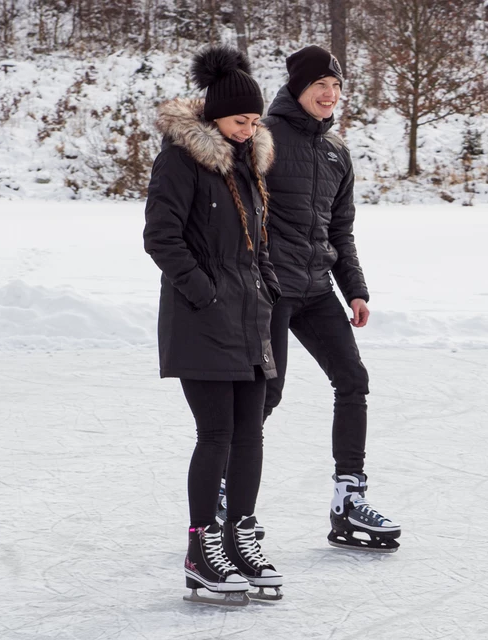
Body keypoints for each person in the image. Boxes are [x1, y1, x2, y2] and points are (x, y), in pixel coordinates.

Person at [220, 45, 401, 553]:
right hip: (272, 287)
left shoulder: (336, 151)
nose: (330, 94)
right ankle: (225, 492)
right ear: (298, 89)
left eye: (337, 86)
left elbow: (339, 230)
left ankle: (349, 497)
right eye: (321, 85)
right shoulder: (263, 138)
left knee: (352, 379)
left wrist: (356, 288)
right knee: (266, 395)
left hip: (319, 289)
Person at [143, 45, 283, 606]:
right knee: (217, 434)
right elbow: (162, 238)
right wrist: (205, 293)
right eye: (239, 120)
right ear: (213, 117)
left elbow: (257, 244)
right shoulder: (182, 160)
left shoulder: (247, 164)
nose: (248, 130)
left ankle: (240, 534)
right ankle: (203, 548)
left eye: (254, 121)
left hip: (250, 318)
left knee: (251, 433)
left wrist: (267, 287)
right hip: (202, 319)